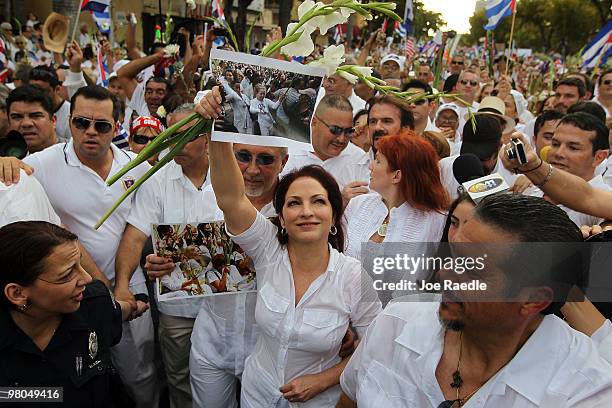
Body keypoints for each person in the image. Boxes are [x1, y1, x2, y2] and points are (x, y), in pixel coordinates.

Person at [196, 87, 382, 407]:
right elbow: (230, 197)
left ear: (334, 214)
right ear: (280, 218)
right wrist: (219, 127)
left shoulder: (353, 276)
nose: (306, 211)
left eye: (318, 202)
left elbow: (375, 346)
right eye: (294, 203)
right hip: (257, 395)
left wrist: (324, 379)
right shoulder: (268, 250)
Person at [338, 193, 612, 407]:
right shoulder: (395, 323)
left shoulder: (584, 393)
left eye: (472, 270)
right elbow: (349, 400)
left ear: (534, 300)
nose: (445, 274)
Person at [0, 85, 159, 408]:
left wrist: (125, 287)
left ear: (116, 127)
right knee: (74, 378)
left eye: (101, 126)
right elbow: (15, 190)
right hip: (69, 297)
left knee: (139, 373)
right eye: (80, 123)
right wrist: (7, 163)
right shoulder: (41, 164)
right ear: (68, 121)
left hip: (128, 287)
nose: (90, 132)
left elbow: (140, 230)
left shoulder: (139, 169)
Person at [114, 104, 210, 408]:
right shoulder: (157, 180)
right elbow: (135, 235)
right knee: (179, 379)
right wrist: (122, 283)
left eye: (185, 136)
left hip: (227, 308)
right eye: (169, 137)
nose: (174, 145)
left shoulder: (234, 173)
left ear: (207, 137)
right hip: (178, 309)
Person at [0, 221, 147, 408]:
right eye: (67, 274)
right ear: (17, 293)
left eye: (80, 263)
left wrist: (137, 304)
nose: (86, 278)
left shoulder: (94, 304)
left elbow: (121, 311)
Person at [344, 131, 448, 260]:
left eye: (377, 161)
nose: (370, 166)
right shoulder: (358, 204)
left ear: (396, 175)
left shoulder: (437, 221)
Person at [282, 95, 370, 193]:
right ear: (314, 122)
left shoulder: (360, 160)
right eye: (335, 130)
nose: (341, 139)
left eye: (348, 131)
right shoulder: (289, 154)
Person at [439, 115, 518, 200]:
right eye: (470, 156)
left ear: (499, 146)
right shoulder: (444, 168)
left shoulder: (513, 177)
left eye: (483, 158)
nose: (476, 164)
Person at [6, 84, 57, 154]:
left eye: (35, 116)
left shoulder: (74, 153)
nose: (26, 123)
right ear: (9, 122)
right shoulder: (4, 160)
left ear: (53, 120)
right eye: (17, 117)